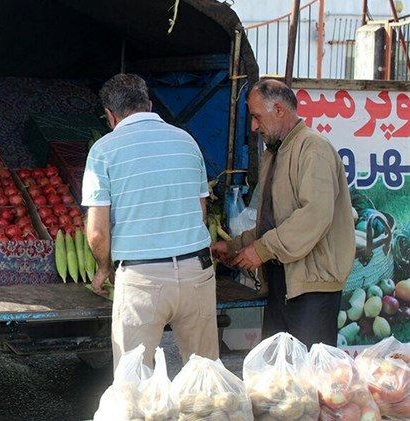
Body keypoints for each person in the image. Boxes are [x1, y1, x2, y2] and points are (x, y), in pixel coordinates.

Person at [82, 73, 217, 369]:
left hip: (142, 279)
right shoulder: (187, 142)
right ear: (150, 104)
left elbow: (96, 233)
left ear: (110, 115)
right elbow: (201, 211)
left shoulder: (103, 151)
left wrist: (104, 269)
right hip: (198, 272)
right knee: (206, 378)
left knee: (136, 383)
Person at [212, 79, 355, 348]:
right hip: (283, 281)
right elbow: (274, 221)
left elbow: (314, 215)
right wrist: (235, 246)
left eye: (256, 117)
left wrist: (262, 250)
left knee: (311, 377)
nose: (254, 127)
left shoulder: (313, 149)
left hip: (312, 287)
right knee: (279, 374)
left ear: (278, 109)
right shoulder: (275, 154)